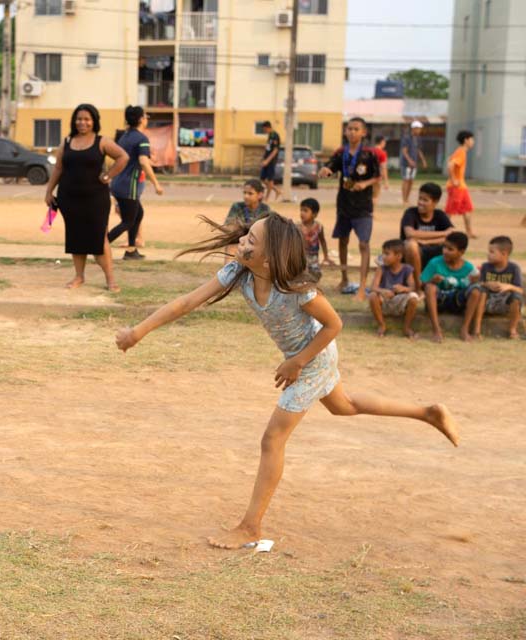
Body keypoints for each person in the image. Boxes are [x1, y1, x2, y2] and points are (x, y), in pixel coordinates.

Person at [115, 213, 459, 550]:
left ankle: (250, 526)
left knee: (272, 438)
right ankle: (427, 413)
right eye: (245, 235)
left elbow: (334, 324)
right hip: (305, 358)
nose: (241, 242)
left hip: (313, 357)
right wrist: (138, 332)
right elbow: (187, 302)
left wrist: (298, 361)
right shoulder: (239, 270)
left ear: (270, 257)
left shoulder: (296, 289)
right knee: (345, 406)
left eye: (251, 240)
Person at [44, 104, 128, 292]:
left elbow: (123, 157)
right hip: (69, 198)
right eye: (79, 119)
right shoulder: (67, 142)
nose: (82, 122)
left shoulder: (102, 141)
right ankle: (79, 276)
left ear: (94, 121)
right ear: (74, 121)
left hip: (95, 199)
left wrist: (109, 175)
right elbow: (58, 168)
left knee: (100, 238)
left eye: (87, 119)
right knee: (75, 237)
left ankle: (110, 280)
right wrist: (49, 191)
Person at [318, 117, 380, 302]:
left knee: (363, 244)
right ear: (345, 132)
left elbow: (377, 176)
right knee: (343, 241)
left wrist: (364, 183)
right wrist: (326, 170)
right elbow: (331, 166)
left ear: (364, 132)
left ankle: (362, 286)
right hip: (344, 204)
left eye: (356, 129)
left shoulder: (369, 154)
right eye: (349, 129)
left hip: (363, 207)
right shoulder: (340, 152)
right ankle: (344, 279)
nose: (352, 132)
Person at [108, 106, 164, 261]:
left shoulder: (125, 136)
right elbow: (143, 162)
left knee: (138, 214)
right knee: (128, 221)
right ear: (140, 119)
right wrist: (156, 184)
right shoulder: (141, 138)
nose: (147, 119)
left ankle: (131, 250)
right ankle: (100, 245)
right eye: (145, 116)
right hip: (128, 185)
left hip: (118, 183)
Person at [421, 231, 478, 343]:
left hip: (458, 302)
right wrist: (431, 280)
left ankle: (464, 329)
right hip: (439, 301)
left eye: (450, 249)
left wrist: (475, 281)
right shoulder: (435, 262)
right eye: (444, 247)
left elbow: (473, 287)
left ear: (461, 252)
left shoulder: (468, 268)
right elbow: (421, 284)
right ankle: (437, 330)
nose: (445, 251)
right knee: (430, 287)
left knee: (476, 290)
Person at [463, 236, 523, 340]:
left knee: (516, 297)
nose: (488, 255)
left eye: (492, 252)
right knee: (482, 291)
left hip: (505, 304)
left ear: (504, 254)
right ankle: (476, 330)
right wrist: (487, 284)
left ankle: (512, 330)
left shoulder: (514, 268)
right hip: (487, 303)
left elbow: (520, 290)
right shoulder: (486, 266)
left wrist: (508, 286)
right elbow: (479, 283)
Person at [400, 183, 453, 291]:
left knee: (454, 246)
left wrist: (424, 242)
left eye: (425, 200)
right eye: (420, 198)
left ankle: (450, 282)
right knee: (411, 245)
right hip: (412, 257)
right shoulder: (411, 213)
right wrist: (443, 233)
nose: (420, 202)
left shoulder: (440, 215)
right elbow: (410, 233)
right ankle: (416, 286)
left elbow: (451, 235)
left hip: (433, 256)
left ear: (435, 202)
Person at [368, 239, 420, 338]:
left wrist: (403, 288)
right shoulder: (381, 269)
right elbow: (373, 287)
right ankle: (382, 325)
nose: (383, 257)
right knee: (372, 296)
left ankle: (407, 327)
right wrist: (382, 291)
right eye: (383, 254)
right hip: (385, 301)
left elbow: (413, 287)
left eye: (387, 254)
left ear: (399, 256)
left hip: (400, 301)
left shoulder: (407, 269)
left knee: (413, 298)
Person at [446, 130, 477, 239]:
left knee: (467, 209)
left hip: (462, 187)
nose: (473, 141)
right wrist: (453, 179)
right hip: (456, 187)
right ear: (466, 140)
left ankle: (469, 232)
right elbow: (450, 165)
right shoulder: (461, 152)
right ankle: (442, 231)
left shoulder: (462, 151)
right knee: (450, 211)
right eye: (471, 139)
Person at [298, 197, 332, 281]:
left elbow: (323, 241)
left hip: (313, 258)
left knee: (315, 276)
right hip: (300, 258)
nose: (302, 213)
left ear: (315, 214)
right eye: (301, 210)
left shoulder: (318, 227)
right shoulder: (297, 227)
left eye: (305, 211)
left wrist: (326, 256)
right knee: (300, 277)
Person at [400, 121, 427, 205]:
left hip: (414, 163)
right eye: (418, 129)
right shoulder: (407, 138)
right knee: (406, 180)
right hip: (406, 164)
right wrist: (410, 161)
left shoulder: (418, 139)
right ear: (413, 129)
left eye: (420, 129)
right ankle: (404, 199)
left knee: (411, 181)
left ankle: (407, 198)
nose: (419, 131)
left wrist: (423, 160)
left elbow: (419, 150)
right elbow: (404, 151)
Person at [259, 121, 281, 202]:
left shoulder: (275, 135)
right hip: (266, 160)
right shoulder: (270, 136)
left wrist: (267, 161)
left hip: (271, 161)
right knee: (262, 178)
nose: (264, 131)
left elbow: (275, 150)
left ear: (267, 127)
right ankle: (277, 191)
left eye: (264, 129)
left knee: (270, 180)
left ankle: (267, 198)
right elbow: (268, 148)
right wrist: (263, 159)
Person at [371, 135, 390, 207]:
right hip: (376, 177)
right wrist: (386, 181)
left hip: (367, 177)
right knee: (375, 196)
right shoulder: (382, 153)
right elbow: (383, 167)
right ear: (381, 142)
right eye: (384, 141)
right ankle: (371, 213)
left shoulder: (370, 150)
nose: (385, 143)